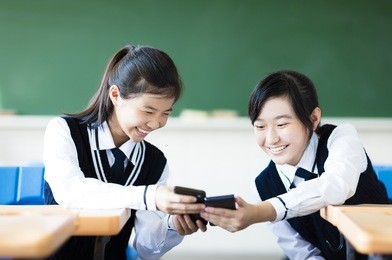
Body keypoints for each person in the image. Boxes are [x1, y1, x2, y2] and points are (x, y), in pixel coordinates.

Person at [201, 70, 389, 259]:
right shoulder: (263, 187)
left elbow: (336, 186)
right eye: (260, 127)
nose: (272, 139)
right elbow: (303, 253)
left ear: (313, 119)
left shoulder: (341, 139)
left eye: (282, 124)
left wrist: (263, 211)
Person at [43, 45, 207, 260]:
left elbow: (145, 249)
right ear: (116, 95)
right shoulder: (64, 131)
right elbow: (70, 191)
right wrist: (149, 195)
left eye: (166, 113)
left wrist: (171, 226)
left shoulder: (154, 161)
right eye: (148, 111)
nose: (157, 122)